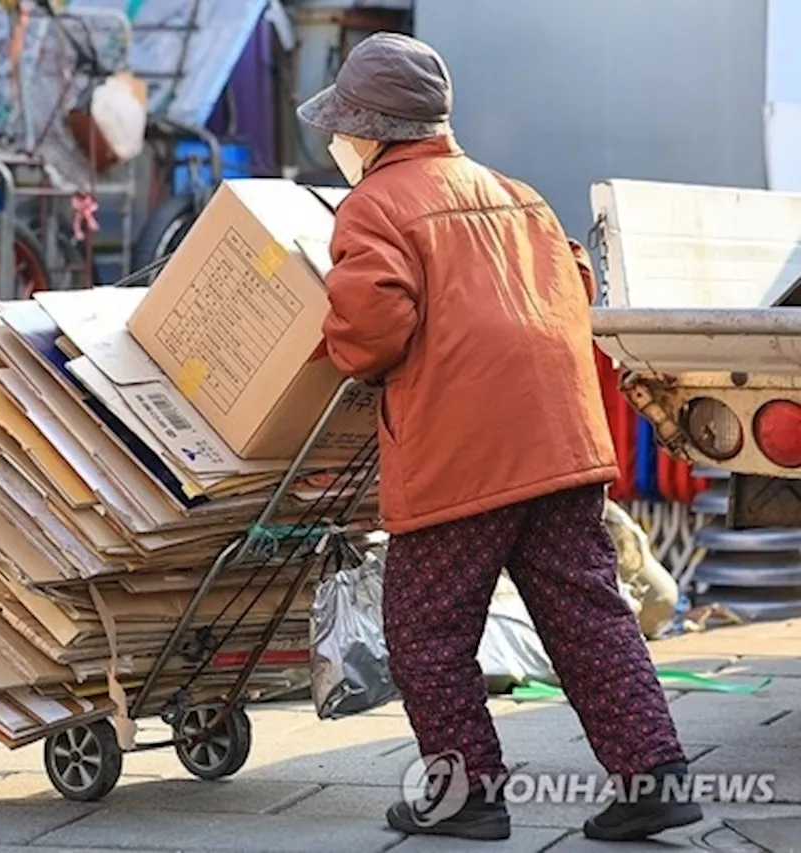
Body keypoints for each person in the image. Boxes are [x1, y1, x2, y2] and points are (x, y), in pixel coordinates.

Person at [297, 33, 700, 843]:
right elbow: (576, 282)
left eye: (342, 128)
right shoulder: (517, 193)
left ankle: (466, 794)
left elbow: (373, 325)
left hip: (464, 457)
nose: (337, 142)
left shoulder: (375, 204)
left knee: (425, 625)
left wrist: (332, 346)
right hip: (561, 445)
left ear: (369, 131)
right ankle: (653, 775)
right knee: (588, 614)